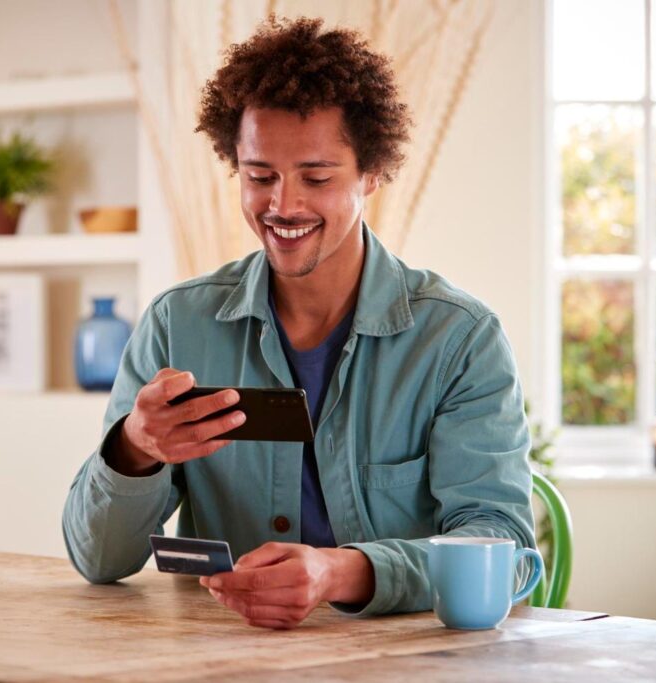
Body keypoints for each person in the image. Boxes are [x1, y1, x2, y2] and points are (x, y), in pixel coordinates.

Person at [63, 16, 535, 630]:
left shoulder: (458, 340)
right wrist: (134, 448)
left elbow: (505, 547)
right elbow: (98, 560)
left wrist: (341, 572)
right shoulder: (177, 323)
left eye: (316, 178)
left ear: (372, 173)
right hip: (220, 657)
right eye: (260, 177)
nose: (283, 206)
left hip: (403, 664)